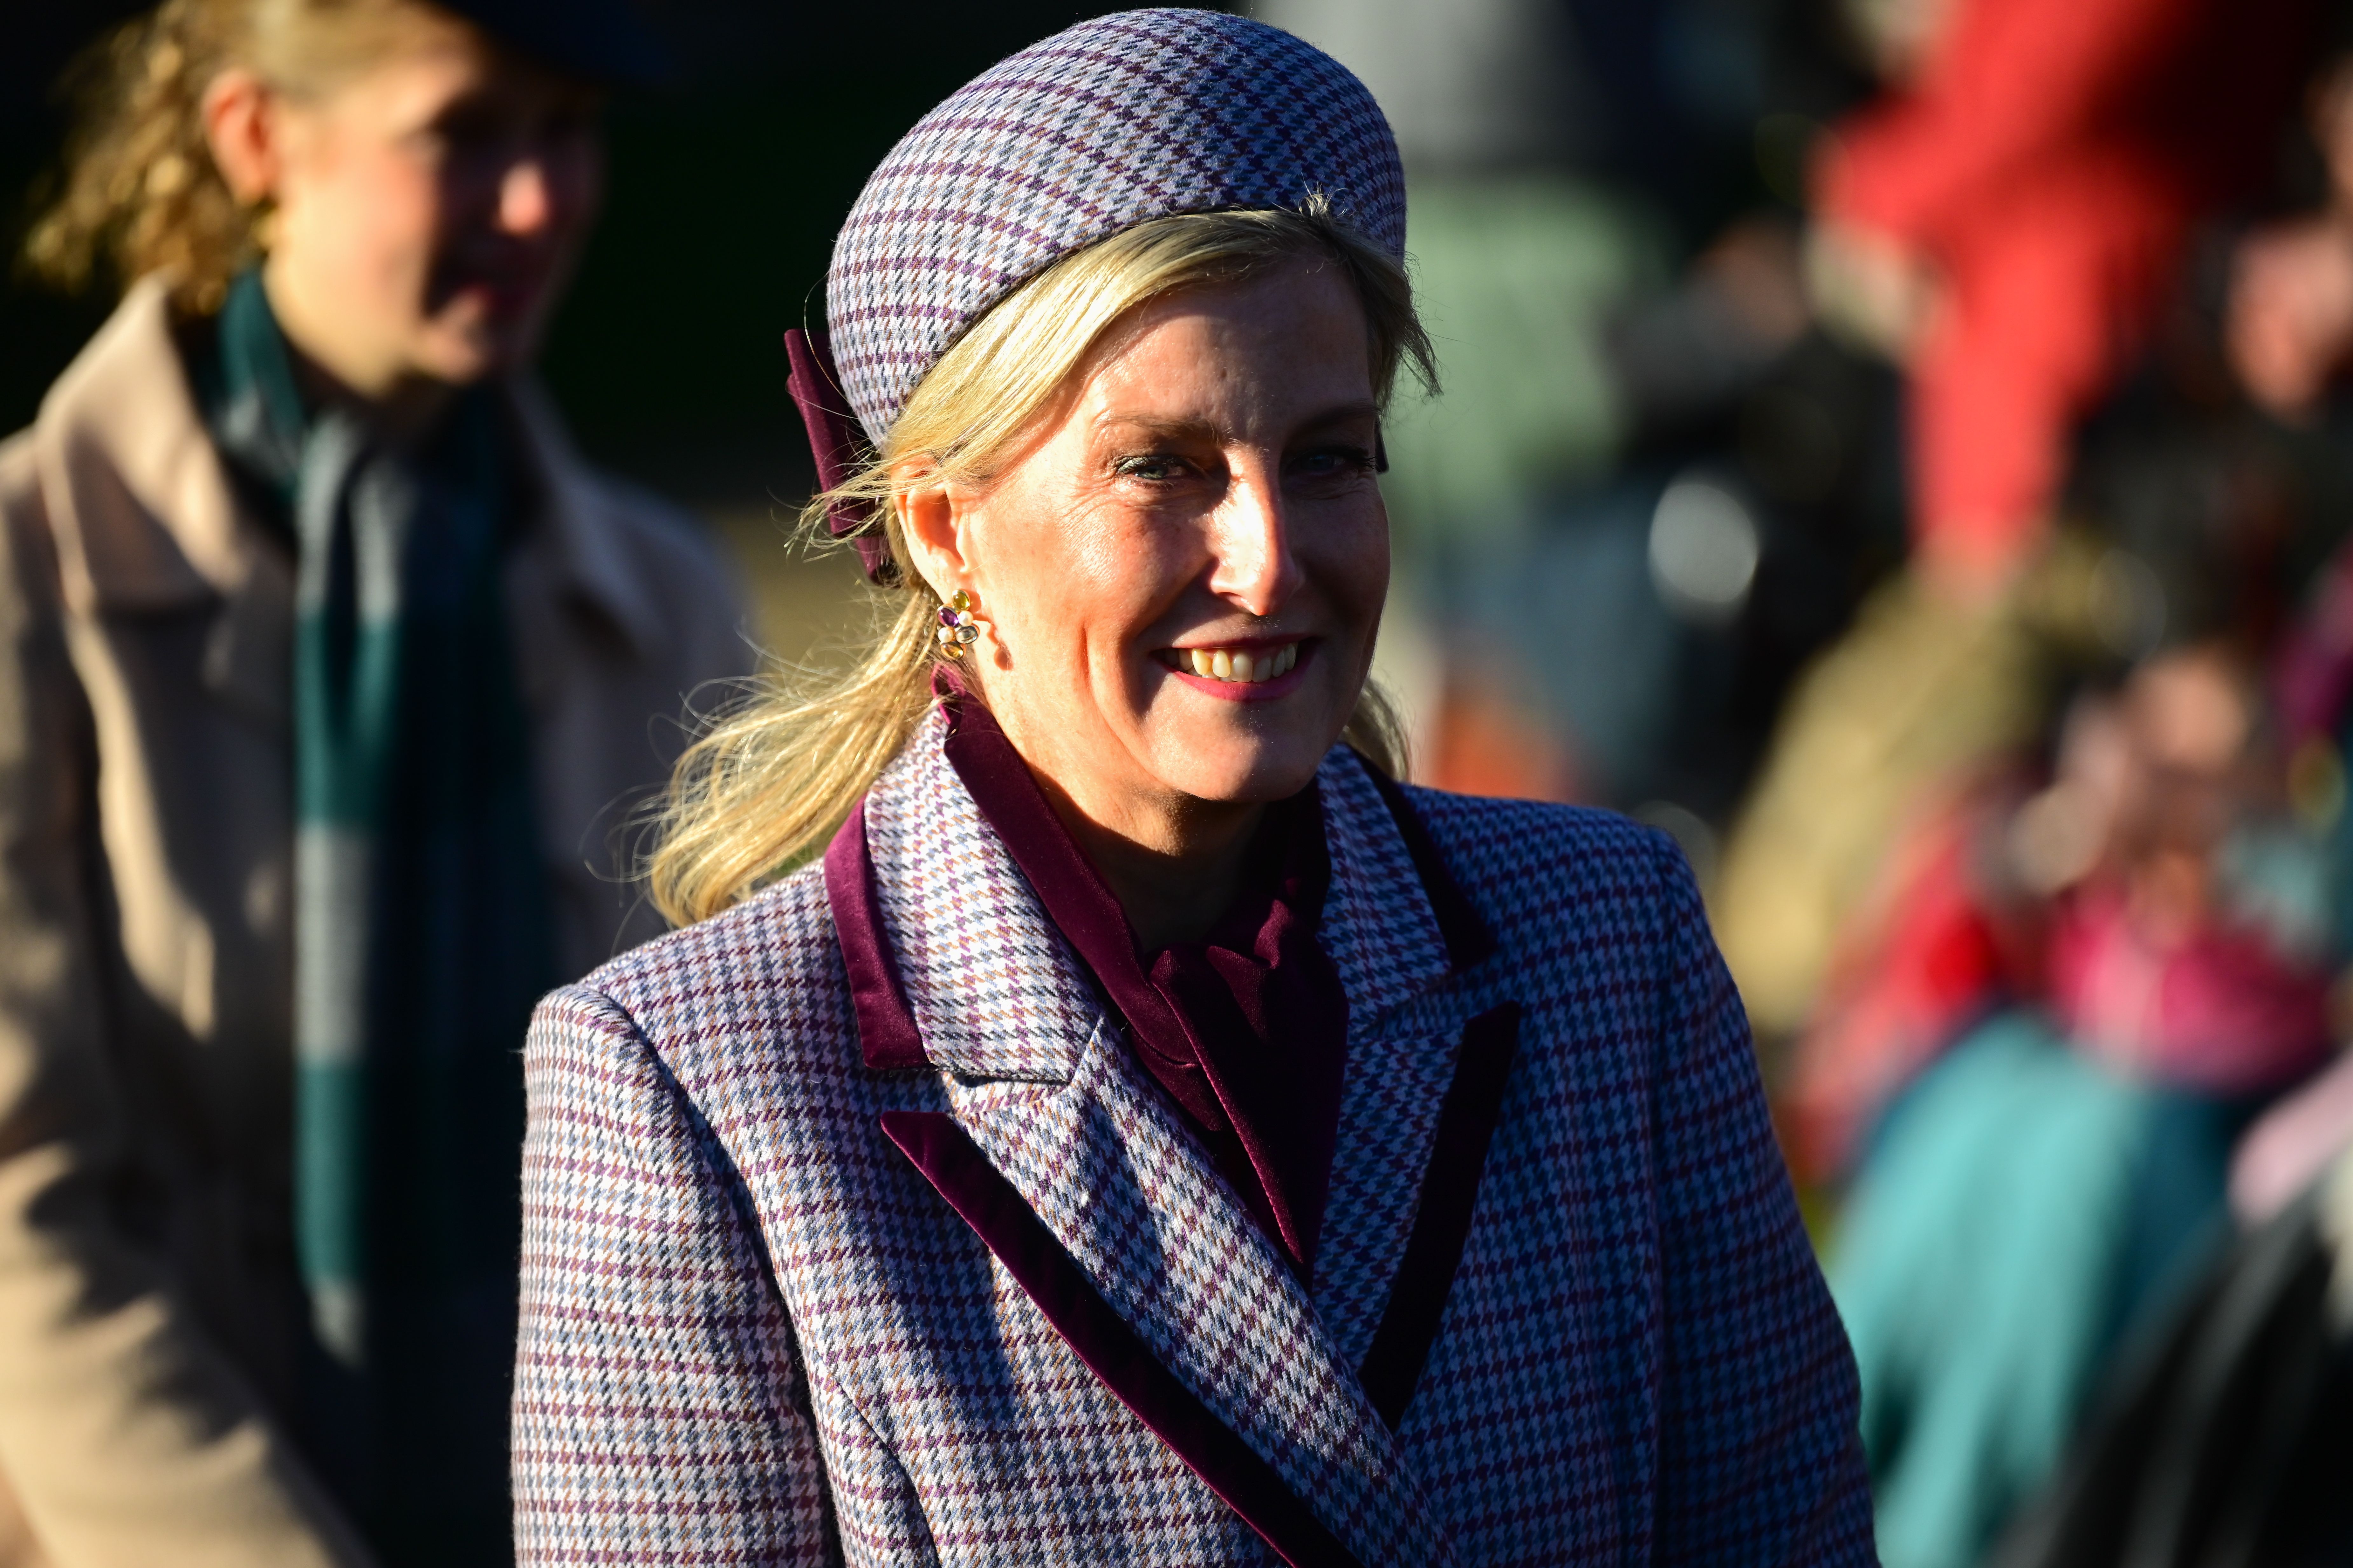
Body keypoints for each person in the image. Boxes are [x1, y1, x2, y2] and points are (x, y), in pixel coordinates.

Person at [510, 12, 1873, 1563]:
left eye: (1331, 457)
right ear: (946, 534)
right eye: (1163, 468)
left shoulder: (1609, 949)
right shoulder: (701, 1095)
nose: (1272, 559)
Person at [0, 0, 749, 1562]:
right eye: (465, 133)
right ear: (255, 138)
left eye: (570, 129)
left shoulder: (667, 605)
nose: (540, 201)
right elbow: (25, 1221)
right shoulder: (29, 582)